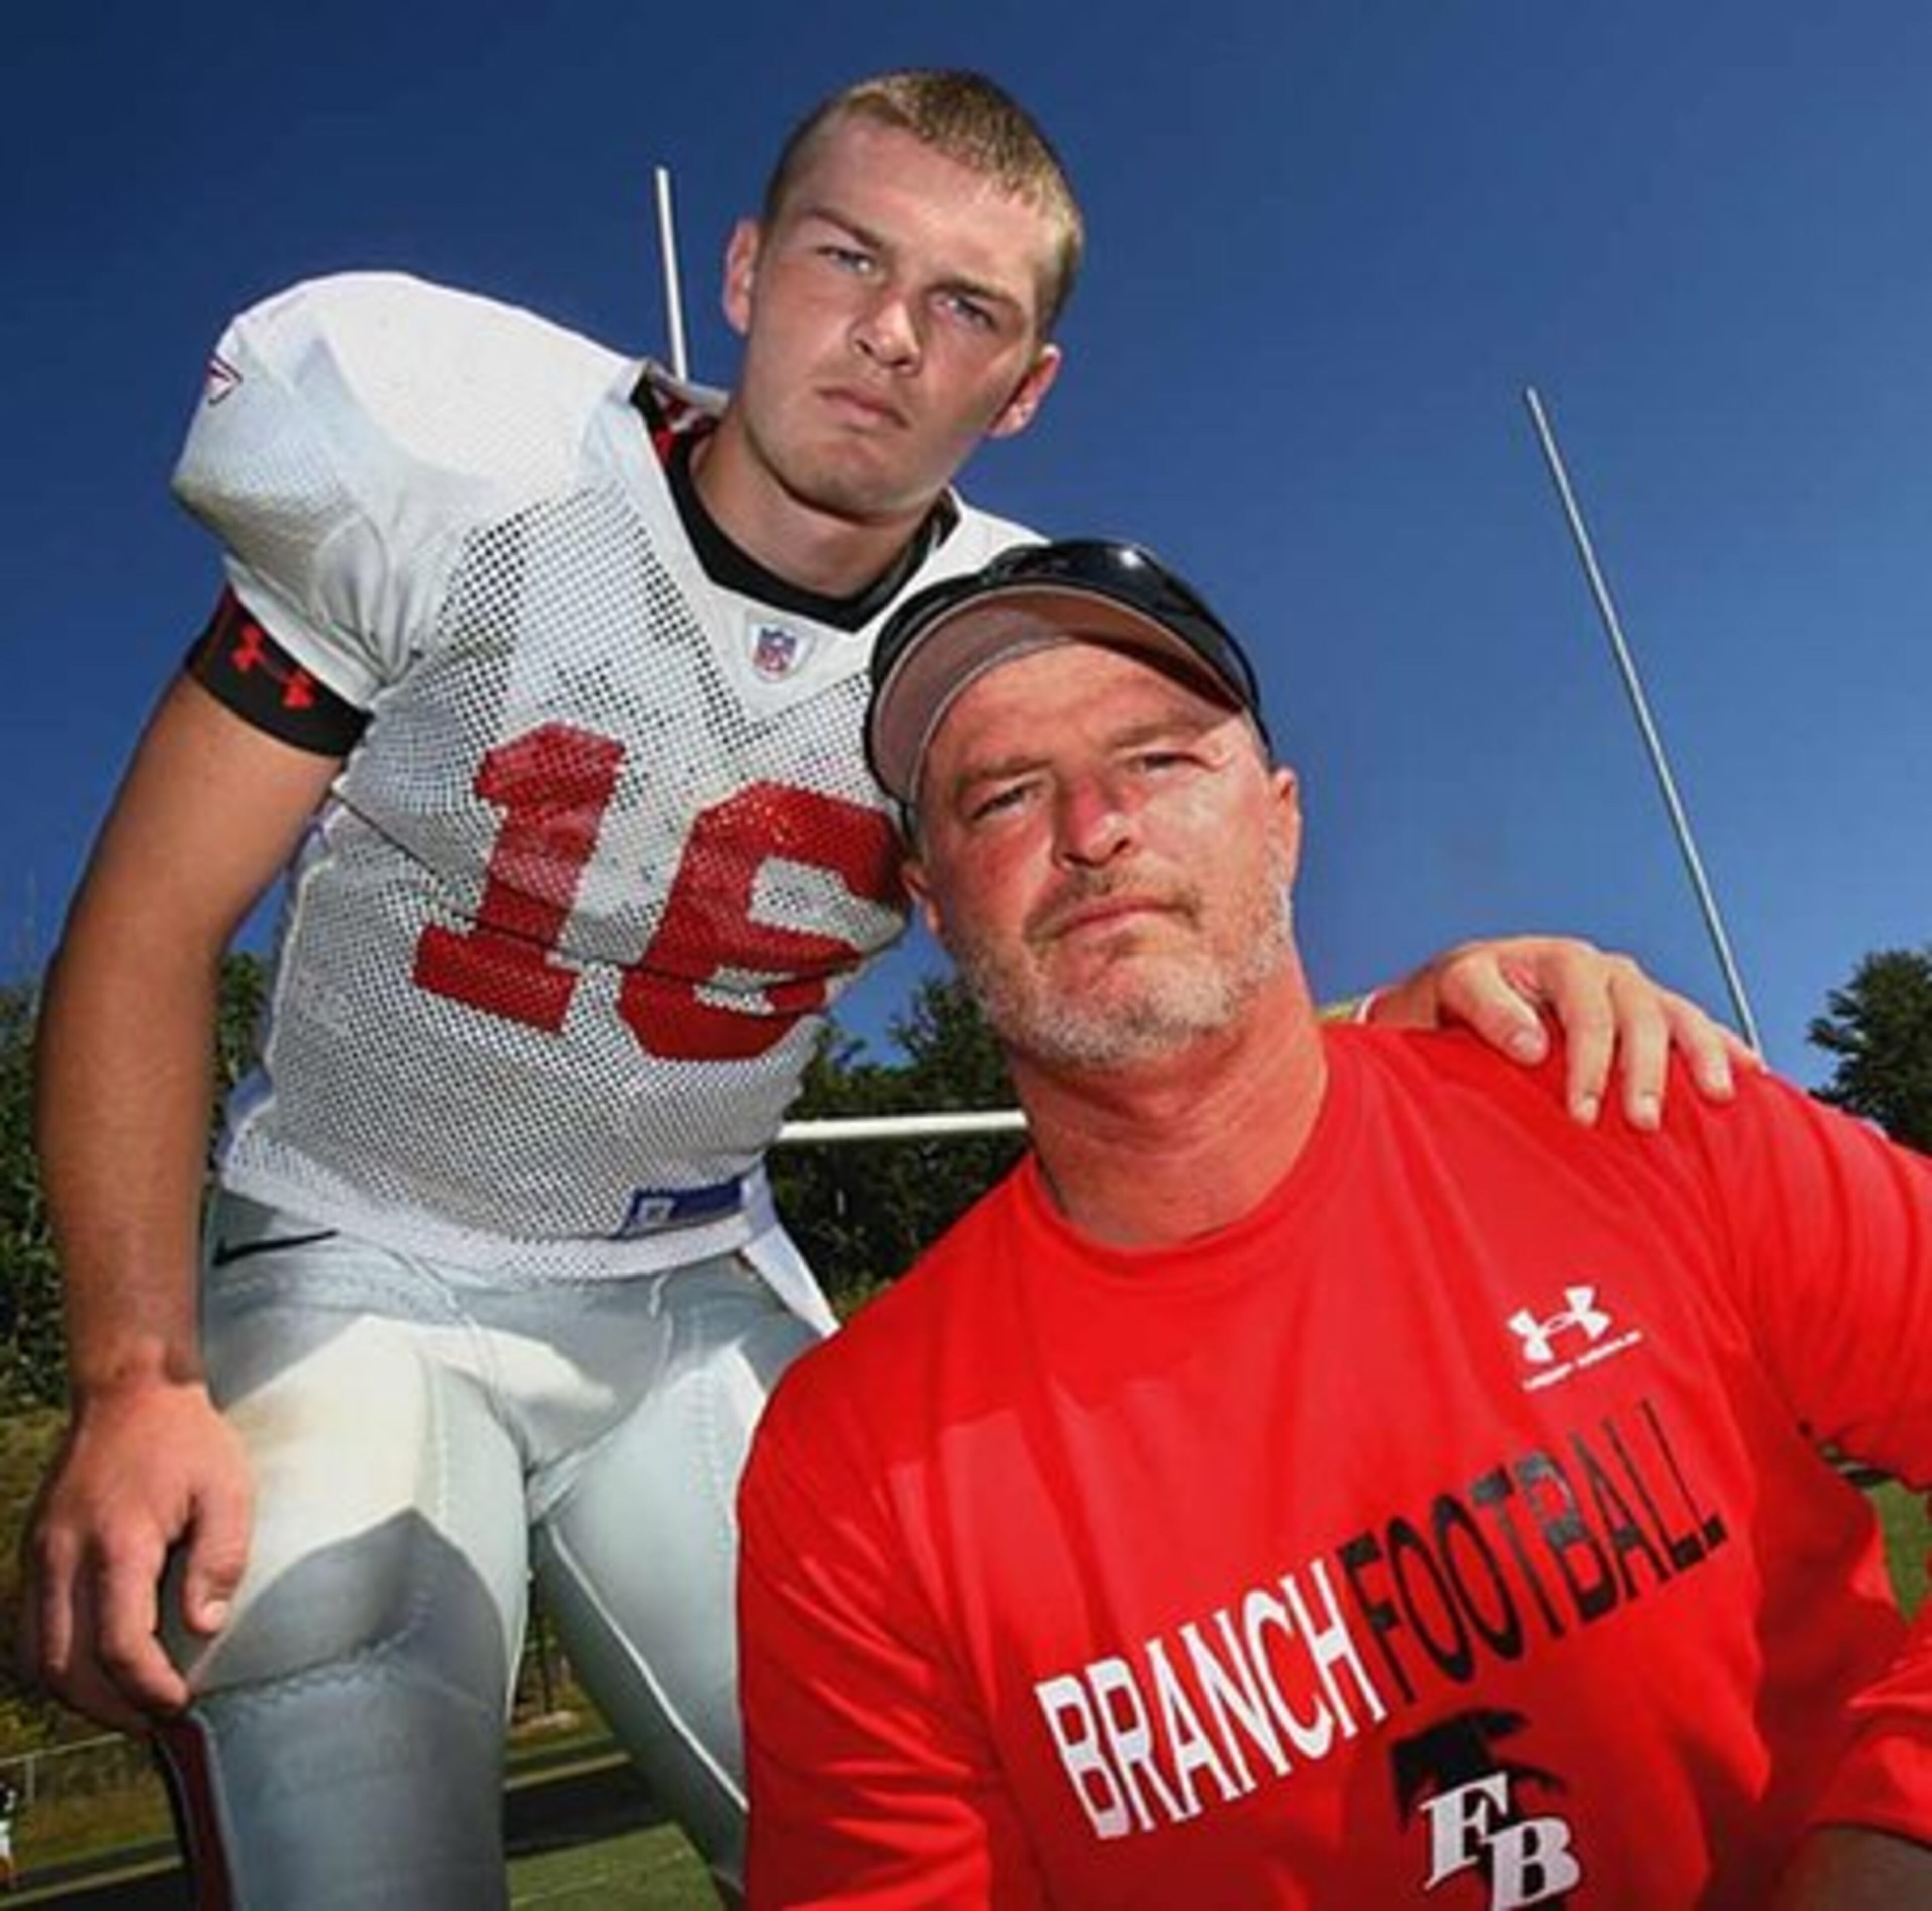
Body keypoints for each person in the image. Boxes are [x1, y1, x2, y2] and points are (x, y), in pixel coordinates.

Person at [22, 73, 1739, 1911]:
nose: (893, 336)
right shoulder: (470, 475)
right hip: (357, 1243)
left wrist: (1416, 1013)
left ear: (1026, 388)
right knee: (333, 1748)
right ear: (751, 269)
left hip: (684, 1285)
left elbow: (1146, 972)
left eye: (970, 309)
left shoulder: (1021, 649)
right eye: (853, 257)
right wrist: (136, 1375)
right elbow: (143, 925)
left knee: (995, 1821)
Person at [737, 538, 1932, 1909]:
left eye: (1161, 761)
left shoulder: (1631, 1105)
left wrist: (1891, 1846)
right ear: (934, 905)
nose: (1094, 828)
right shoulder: (853, 1471)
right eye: (1005, 797)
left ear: (1285, 819)